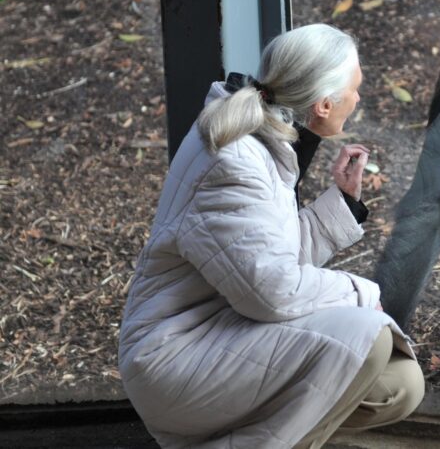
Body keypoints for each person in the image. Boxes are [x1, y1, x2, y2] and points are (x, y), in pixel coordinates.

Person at [118, 23, 424, 449]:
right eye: (355, 88)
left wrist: (342, 205)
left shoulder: (258, 136)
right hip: (174, 357)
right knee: (369, 340)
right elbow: (272, 292)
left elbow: (261, 258)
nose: (358, 98)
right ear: (322, 104)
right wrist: (359, 292)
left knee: (397, 382)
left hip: (221, 332)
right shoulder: (234, 161)